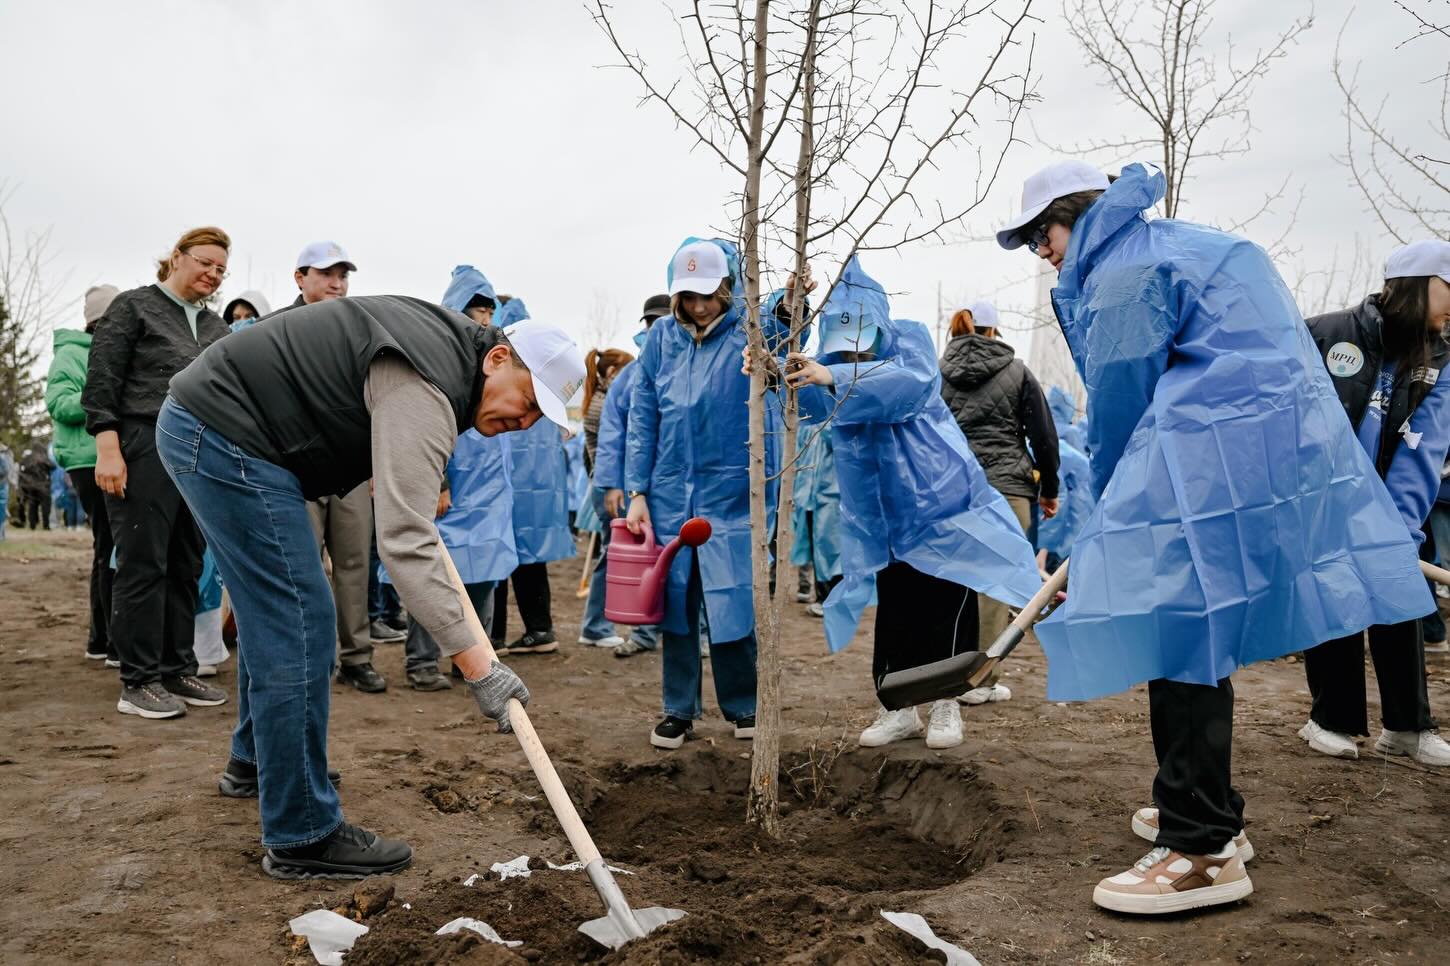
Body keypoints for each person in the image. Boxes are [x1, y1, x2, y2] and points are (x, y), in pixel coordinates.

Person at [999, 159, 1432, 915]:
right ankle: (1211, 813)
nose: (1043, 251)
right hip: (1243, 458)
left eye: (1044, 232)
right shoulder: (1169, 245)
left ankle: (1200, 849)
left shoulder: (1126, 273)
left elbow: (1118, 414)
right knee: (1193, 629)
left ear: (1076, 214)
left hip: (1202, 464)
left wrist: (1102, 529)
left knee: (1180, 635)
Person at [161, 294, 582, 879]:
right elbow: (407, 539)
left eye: (541, 417)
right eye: (530, 401)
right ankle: (302, 832)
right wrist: (479, 666)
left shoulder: (447, 359)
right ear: (499, 359)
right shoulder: (429, 384)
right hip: (228, 435)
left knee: (277, 615)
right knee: (301, 619)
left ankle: (258, 761)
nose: (526, 422)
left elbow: (406, 507)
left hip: (221, 428)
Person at [763, 256, 1041, 751]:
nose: (850, 361)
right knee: (896, 614)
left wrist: (830, 376)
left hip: (940, 510)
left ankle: (946, 703)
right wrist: (774, 373)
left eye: (859, 348)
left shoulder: (908, 347)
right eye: (841, 353)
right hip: (886, 519)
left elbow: (905, 388)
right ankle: (897, 708)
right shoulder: (836, 371)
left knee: (946, 607)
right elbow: (811, 404)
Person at [626, 238, 811, 748]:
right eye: (689, 296)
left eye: (709, 293)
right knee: (677, 602)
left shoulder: (746, 334)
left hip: (732, 491)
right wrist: (637, 490)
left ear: (727, 288)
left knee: (734, 599)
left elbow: (784, 326)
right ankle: (678, 710)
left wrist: (791, 300)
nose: (700, 305)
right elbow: (643, 418)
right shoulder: (661, 341)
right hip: (669, 491)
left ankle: (743, 705)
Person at [1300, 239, 1450, 767]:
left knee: (1399, 593)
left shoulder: (1441, 359)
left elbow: (1426, 448)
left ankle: (1408, 727)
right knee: (1336, 600)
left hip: (1386, 508)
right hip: (1321, 503)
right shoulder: (1326, 334)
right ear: (1417, 285)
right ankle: (1330, 718)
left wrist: (1398, 529)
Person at [83, 226, 232, 719]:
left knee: (187, 561)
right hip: (142, 441)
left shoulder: (216, 330)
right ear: (177, 257)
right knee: (144, 560)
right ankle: (138, 679)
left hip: (199, 452)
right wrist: (108, 445)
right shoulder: (134, 307)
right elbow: (104, 375)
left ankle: (177, 666)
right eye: (205, 262)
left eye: (220, 269)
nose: (213, 274)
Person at [267, 241, 386, 691]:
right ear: (300, 277)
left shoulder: (360, 329)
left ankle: (357, 657)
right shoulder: (274, 329)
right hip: (294, 472)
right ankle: (310, 657)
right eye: (326, 274)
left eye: (344, 275)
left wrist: (373, 463)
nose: (337, 283)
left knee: (356, 561)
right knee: (302, 566)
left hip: (350, 470)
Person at [398, 265, 519, 691]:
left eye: (488, 308)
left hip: (488, 490)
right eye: (474, 308)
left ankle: (474, 663)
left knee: (484, 574)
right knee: (432, 574)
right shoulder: (440, 354)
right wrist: (441, 483)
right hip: (451, 485)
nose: (483, 316)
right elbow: (423, 420)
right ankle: (421, 661)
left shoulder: (498, 354)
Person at [940, 298, 1059, 705]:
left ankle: (946, 672)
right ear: (995, 331)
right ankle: (979, 681)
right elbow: (1043, 435)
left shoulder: (938, 374)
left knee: (953, 581)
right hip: (1007, 487)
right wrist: (1050, 489)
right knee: (994, 584)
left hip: (954, 490)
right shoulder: (1017, 371)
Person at [490, 297, 577, 655]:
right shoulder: (545, 370)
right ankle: (540, 629)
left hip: (505, 488)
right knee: (531, 558)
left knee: (494, 557)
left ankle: (492, 635)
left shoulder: (507, 371)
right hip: (538, 492)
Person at [597, 295, 671, 658]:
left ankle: (702, 633)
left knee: (689, 560)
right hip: (640, 485)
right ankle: (643, 633)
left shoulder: (689, 366)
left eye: (663, 320)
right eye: (651, 322)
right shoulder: (630, 377)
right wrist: (614, 483)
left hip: (681, 483)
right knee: (645, 559)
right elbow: (613, 433)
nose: (656, 328)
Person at [576, 346, 636, 648]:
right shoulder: (604, 406)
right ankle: (596, 626)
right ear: (612, 373)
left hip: (603, 485)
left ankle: (596, 624)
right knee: (613, 557)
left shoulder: (597, 400)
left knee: (610, 554)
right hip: (611, 487)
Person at [1036, 385, 1094, 573]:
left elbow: (1057, 497)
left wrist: (1043, 548)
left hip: (1067, 530)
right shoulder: (1071, 436)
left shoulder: (1043, 440)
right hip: (1082, 523)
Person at [788, 419, 842, 618]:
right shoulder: (808, 427)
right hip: (811, 499)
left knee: (831, 551)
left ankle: (829, 599)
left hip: (830, 498)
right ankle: (822, 596)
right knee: (818, 551)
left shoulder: (833, 426)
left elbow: (835, 442)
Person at [18, 445, 53, 529]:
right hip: (43, 486)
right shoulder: (43, 458)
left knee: (32, 506)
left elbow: (22, 470)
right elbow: (53, 466)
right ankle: (46, 525)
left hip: (31, 486)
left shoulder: (27, 459)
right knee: (45, 506)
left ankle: (32, 525)